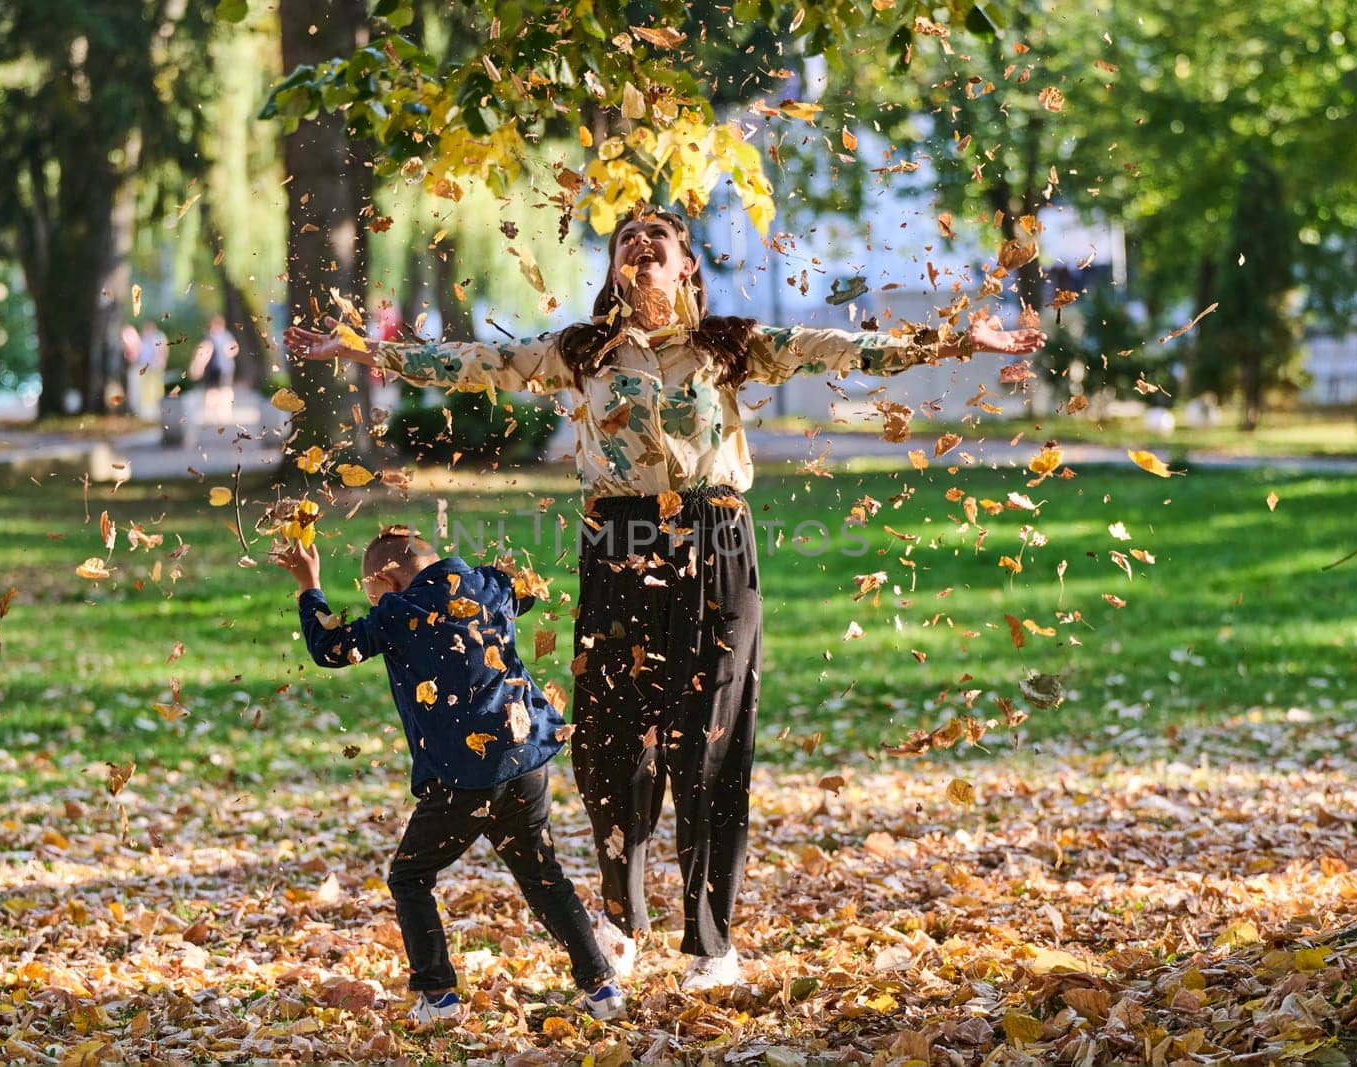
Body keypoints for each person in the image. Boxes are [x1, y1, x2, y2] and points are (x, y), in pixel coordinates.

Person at [283, 205, 1045, 992]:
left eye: (659, 237)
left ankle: (711, 941)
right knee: (612, 741)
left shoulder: (730, 346)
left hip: (715, 538)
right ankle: (620, 919)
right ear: (615, 267)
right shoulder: (582, 352)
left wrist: (958, 338)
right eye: (626, 239)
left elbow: (842, 347)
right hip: (617, 541)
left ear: (686, 265)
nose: (642, 245)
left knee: (707, 742)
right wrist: (361, 348)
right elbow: (473, 362)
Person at [272, 526, 626, 1028]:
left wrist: (310, 585)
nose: (374, 605)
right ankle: (602, 986)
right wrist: (504, 575)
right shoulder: (487, 585)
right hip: (525, 763)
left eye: (373, 596)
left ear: (388, 583)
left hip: (462, 782)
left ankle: (437, 996)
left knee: (410, 877)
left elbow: (331, 648)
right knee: (543, 876)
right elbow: (524, 591)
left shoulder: (397, 614)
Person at [187, 314, 238, 443]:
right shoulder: (211, 337)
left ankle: (222, 414)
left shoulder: (225, 336)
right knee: (212, 391)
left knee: (224, 390)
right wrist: (198, 365)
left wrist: (229, 352)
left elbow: (234, 347)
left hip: (224, 367)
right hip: (214, 367)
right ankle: (212, 415)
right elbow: (204, 352)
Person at [134, 321, 169, 421]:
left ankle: (157, 409)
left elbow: (163, 350)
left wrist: (161, 361)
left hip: (156, 366)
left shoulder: (159, 337)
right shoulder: (143, 338)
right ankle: (147, 411)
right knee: (145, 389)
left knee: (157, 388)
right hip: (145, 367)